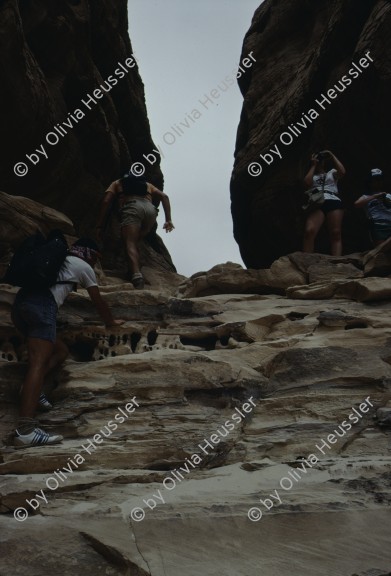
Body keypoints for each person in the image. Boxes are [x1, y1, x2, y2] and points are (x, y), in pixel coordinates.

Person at [11, 238, 124, 448]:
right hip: (42, 307)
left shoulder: (58, 260)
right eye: (97, 259)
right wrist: (111, 322)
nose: (95, 264)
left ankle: (30, 389)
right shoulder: (82, 266)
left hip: (20, 305)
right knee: (37, 362)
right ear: (89, 253)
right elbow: (97, 300)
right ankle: (25, 431)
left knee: (60, 350)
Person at [96, 172, 174, 289]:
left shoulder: (117, 183)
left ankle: (137, 276)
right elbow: (164, 197)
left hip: (132, 207)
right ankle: (131, 269)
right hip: (150, 210)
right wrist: (168, 220)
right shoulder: (147, 185)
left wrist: (99, 224)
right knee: (136, 239)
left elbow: (106, 201)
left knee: (129, 242)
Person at [302, 150, 346, 256]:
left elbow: (342, 172)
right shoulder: (312, 175)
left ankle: (336, 260)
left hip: (333, 200)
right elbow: (307, 182)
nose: (319, 161)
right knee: (309, 231)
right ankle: (306, 259)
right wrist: (313, 165)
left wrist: (331, 154)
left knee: (335, 233)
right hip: (317, 202)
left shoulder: (331, 173)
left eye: (320, 159)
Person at [354, 168, 391, 246]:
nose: (379, 182)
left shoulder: (388, 195)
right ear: (370, 182)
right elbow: (357, 204)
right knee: (380, 250)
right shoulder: (366, 197)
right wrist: (375, 196)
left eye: (380, 179)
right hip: (377, 225)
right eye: (376, 180)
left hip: (390, 222)